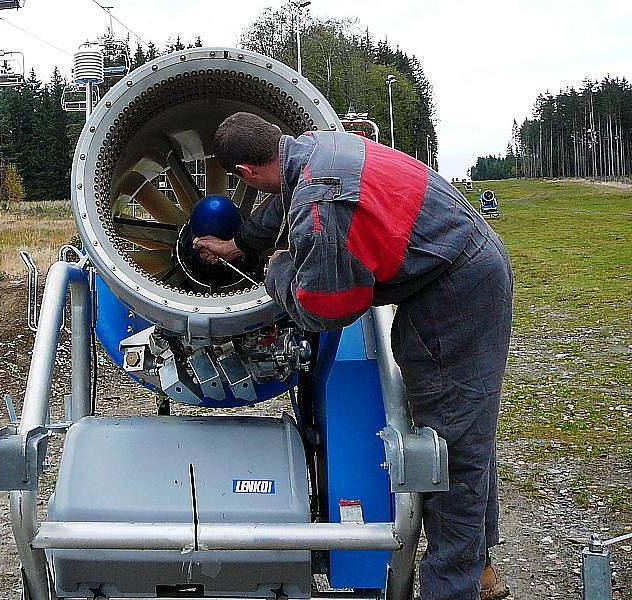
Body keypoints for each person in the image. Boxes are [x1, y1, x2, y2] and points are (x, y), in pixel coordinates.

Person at [194, 112, 513, 600]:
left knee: (449, 449)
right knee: (464, 432)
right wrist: (239, 245)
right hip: (451, 269)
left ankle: (454, 588)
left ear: (244, 173)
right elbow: (281, 207)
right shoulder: (313, 150)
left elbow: (328, 308)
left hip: (457, 293)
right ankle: (480, 569)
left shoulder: (321, 207)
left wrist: (276, 270)